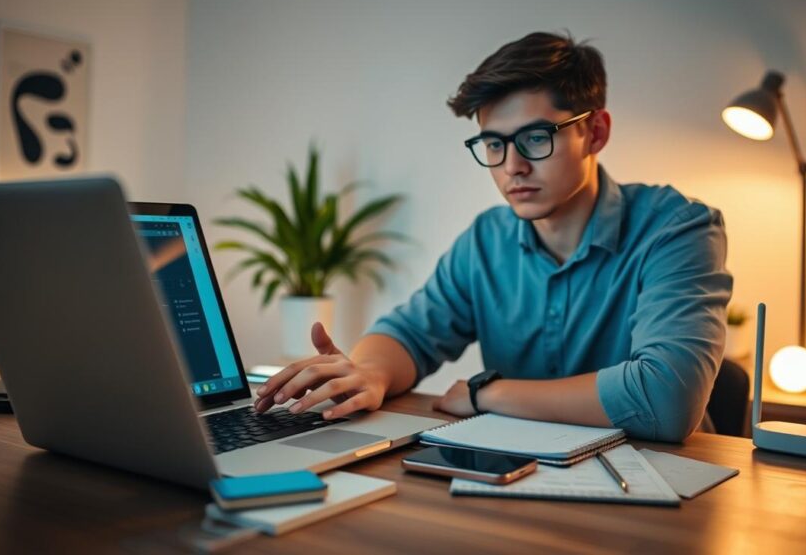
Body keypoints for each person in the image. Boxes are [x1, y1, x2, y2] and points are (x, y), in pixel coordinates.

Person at [254, 32, 732, 442]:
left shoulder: (677, 228)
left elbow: (666, 400)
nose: (512, 166)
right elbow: (410, 333)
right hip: (525, 476)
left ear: (595, 132)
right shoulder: (486, 240)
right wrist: (369, 373)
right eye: (494, 144)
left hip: (667, 482)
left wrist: (487, 392)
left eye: (536, 138)